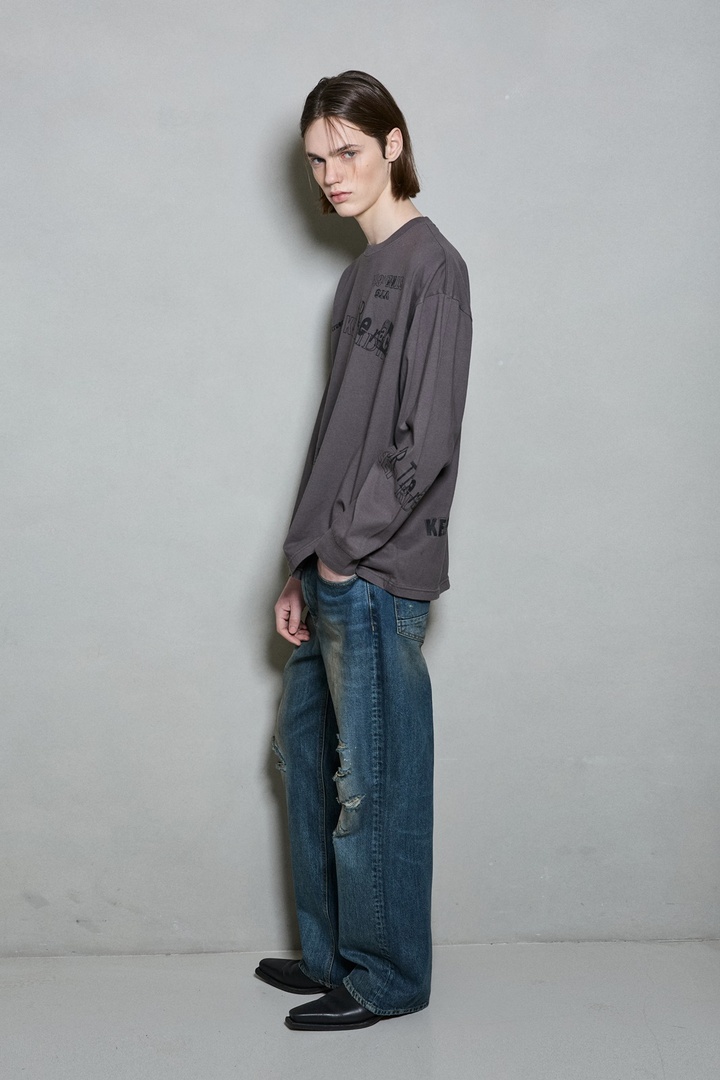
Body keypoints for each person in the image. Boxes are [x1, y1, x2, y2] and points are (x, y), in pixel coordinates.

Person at [256, 71, 473, 1031]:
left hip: (377, 570)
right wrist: (300, 562)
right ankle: (332, 955)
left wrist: (345, 551)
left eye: (347, 151)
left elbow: (425, 439)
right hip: (330, 564)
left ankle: (387, 978)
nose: (331, 175)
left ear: (393, 144)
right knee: (306, 759)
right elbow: (335, 435)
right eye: (316, 160)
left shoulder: (435, 268)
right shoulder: (358, 276)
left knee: (373, 781)